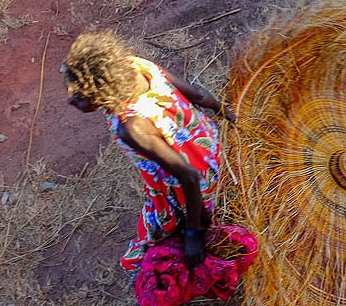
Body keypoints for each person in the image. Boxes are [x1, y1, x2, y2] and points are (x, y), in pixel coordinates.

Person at [62, 30, 230, 274]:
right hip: (210, 144)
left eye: (79, 96)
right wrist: (224, 110)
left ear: (100, 92)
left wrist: (194, 233)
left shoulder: (130, 127)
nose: (70, 100)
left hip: (200, 178)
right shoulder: (137, 66)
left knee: (140, 256)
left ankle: (190, 225)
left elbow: (189, 176)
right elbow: (198, 94)